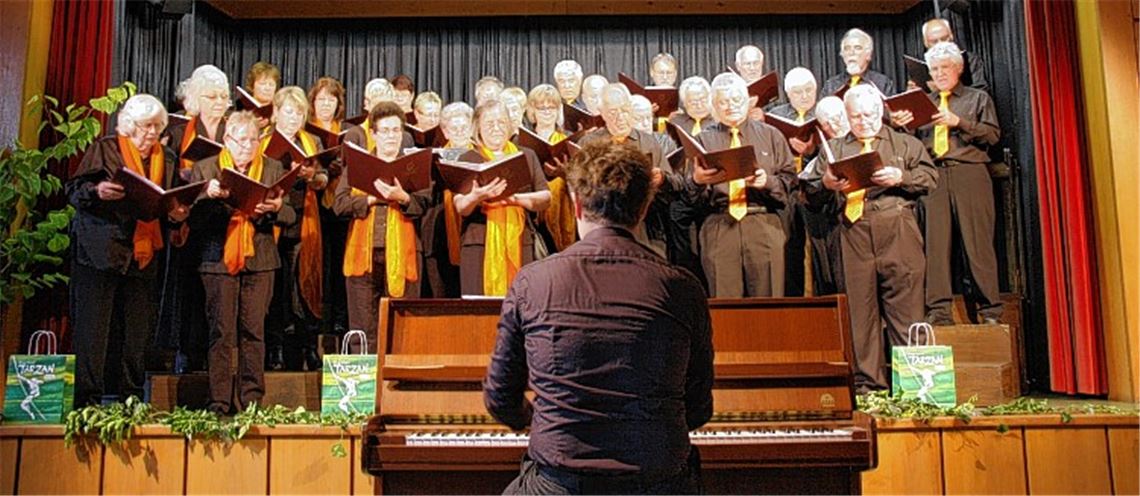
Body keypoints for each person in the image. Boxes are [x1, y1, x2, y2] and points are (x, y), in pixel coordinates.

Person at [485, 141, 713, 495]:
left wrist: (546, 422)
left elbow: (500, 398)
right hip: (657, 483)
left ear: (575, 204)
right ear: (644, 206)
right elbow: (698, 409)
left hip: (560, 483)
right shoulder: (683, 287)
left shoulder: (533, 281)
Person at [817, 85, 937, 392]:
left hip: (896, 225)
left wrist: (902, 177)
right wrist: (827, 183)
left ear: (880, 111)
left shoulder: (903, 143)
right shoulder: (836, 149)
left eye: (869, 115)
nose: (863, 122)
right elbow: (810, 195)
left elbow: (930, 178)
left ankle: (915, 386)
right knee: (860, 313)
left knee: (907, 309)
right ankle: (868, 385)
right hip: (853, 229)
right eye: (855, 117)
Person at [67, 94, 185, 405]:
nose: (151, 134)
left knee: (137, 331)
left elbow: (166, 202)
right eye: (145, 127)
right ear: (129, 125)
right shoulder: (106, 149)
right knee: (94, 329)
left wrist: (176, 214)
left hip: (143, 253)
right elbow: (74, 192)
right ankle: (88, 399)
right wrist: (97, 191)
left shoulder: (168, 158)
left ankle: (131, 396)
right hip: (100, 249)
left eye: (157, 128)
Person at [190, 111, 296, 415]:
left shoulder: (272, 168)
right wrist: (206, 196)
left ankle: (251, 400)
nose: (248, 146)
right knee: (221, 332)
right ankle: (219, 401)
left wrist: (275, 207)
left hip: (260, 258)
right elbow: (191, 221)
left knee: (254, 331)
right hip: (217, 258)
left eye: (254, 140)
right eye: (242, 140)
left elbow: (290, 217)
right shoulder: (206, 168)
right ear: (226, 140)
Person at [914, 42, 1003, 325]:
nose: (939, 74)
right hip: (935, 174)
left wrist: (959, 122)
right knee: (936, 246)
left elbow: (992, 136)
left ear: (959, 69)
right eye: (934, 69)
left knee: (977, 244)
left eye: (945, 68)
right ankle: (939, 311)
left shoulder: (977, 99)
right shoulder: (923, 103)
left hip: (970, 172)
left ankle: (990, 310)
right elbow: (914, 143)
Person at [334, 102, 430, 351]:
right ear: (373, 134)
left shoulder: (414, 164)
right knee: (362, 327)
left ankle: (397, 385)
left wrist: (402, 197)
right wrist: (372, 199)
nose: (391, 136)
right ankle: (366, 388)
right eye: (385, 131)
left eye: (396, 131)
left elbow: (424, 203)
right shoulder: (358, 164)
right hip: (362, 255)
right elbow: (340, 204)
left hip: (405, 254)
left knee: (403, 323)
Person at [690, 72, 796, 297]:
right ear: (714, 106)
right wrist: (698, 181)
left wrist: (767, 182)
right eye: (723, 102)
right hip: (719, 224)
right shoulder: (702, 140)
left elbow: (791, 183)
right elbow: (688, 196)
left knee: (769, 304)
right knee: (725, 308)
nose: (730, 106)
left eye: (736, 100)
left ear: (747, 100)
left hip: (763, 223)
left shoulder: (771, 135)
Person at [159, 68, 230, 373]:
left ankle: (212, 356)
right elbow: (161, 177)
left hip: (223, 222)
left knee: (217, 297)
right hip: (188, 223)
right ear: (194, 100)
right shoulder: (177, 133)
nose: (219, 102)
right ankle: (185, 353)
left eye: (224, 96)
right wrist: (188, 179)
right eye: (211, 96)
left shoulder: (233, 131)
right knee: (188, 291)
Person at [453, 99, 551, 296]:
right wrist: (476, 196)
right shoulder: (468, 159)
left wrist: (514, 199)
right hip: (479, 244)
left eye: (501, 122)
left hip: (520, 241)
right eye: (489, 124)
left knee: (522, 302)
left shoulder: (526, 155)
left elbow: (546, 197)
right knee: (480, 310)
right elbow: (461, 206)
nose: (496, 128)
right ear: (477, 128)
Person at [262, 86, 328, 371]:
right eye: (288, 111)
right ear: (276, 114)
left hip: (305, 220)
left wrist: (313, 176)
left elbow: (325, 180)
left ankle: (309, 345)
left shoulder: (312, 141)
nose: (293, 118)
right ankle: (274, 348)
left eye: (299, 112)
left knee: (305, 285)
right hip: (271, 222)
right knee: (276, 286)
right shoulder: (263, 142)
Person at [578, 84, 678, 259]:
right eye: (613, 113)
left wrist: (661, 179)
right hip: (602, 227)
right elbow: (579, 188)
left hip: (644, 227)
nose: (620, 118)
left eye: (624, 111)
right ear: (602, 113)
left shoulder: (648, 142)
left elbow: (674, 186)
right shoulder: (588, 144)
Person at [768, 67, 820, 296]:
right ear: (788, 94)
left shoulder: (823, 113)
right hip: (787, 190)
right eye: (798, 92)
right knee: (790, 246)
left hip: (816, 189)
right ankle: (794, 296)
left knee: (817, 245)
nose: (804, 96)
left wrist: (810, 151)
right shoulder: (776, 116)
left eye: (809, 90)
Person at [307, 77, 351, 338]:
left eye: (331, 100)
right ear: (313, 103)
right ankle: (317, 324)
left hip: (341, 207)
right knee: (319, 268)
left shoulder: (346, 131)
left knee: (339, 268)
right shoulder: (307, 132)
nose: (326, 105)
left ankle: (339, 320)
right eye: (321, 99)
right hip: (316, 208)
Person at [421, 102, 475, 298]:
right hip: (440, 232)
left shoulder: (482, 156)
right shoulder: (435, 157)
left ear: (472, 128)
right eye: (454, 128)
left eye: (464, 127)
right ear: (444, 131)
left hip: (473, 230)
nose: (460, 132)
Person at [798, 96, 850, 297]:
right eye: (827, 122)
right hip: (836, 227)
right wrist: (825, 185)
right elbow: (810, 195)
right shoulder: (821, 156)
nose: (835, 124)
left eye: (838, 116)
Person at [526, 84, 577, 253]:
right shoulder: (521, 141)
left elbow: (580, 179)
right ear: (533, 111)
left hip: (564, 207)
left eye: (552, 107)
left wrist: (565, 172)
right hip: (533, 212)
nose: (547, 112)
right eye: (541, 108)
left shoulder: (568, 140)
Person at [908, 18, 988, 92]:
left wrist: (944, 88)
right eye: (934, 41)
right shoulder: (919, 65)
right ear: (926, 43)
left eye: (944, 39)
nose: (940, 44)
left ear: (951, 36)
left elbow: (981, 91)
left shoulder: (970, 60)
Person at [821, 29, 896, 97]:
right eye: (847, 48)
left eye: (857, 48)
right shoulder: (831, 85)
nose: (851, 52)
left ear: (868, 55)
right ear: (842, 55)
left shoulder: (882, 83)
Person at [734, 45, 767, 121]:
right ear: (738, 66)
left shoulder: (773, 87)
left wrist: (764, 117)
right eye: (747, 64)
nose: (752, 68)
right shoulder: (730, 91)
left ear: (762, 64)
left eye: (756, 63)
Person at [246, 61, 281, 129]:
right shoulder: (241, 109)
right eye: (262, 83)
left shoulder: (280, 112)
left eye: (271, 85)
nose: (267, 88)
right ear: (252, 86)